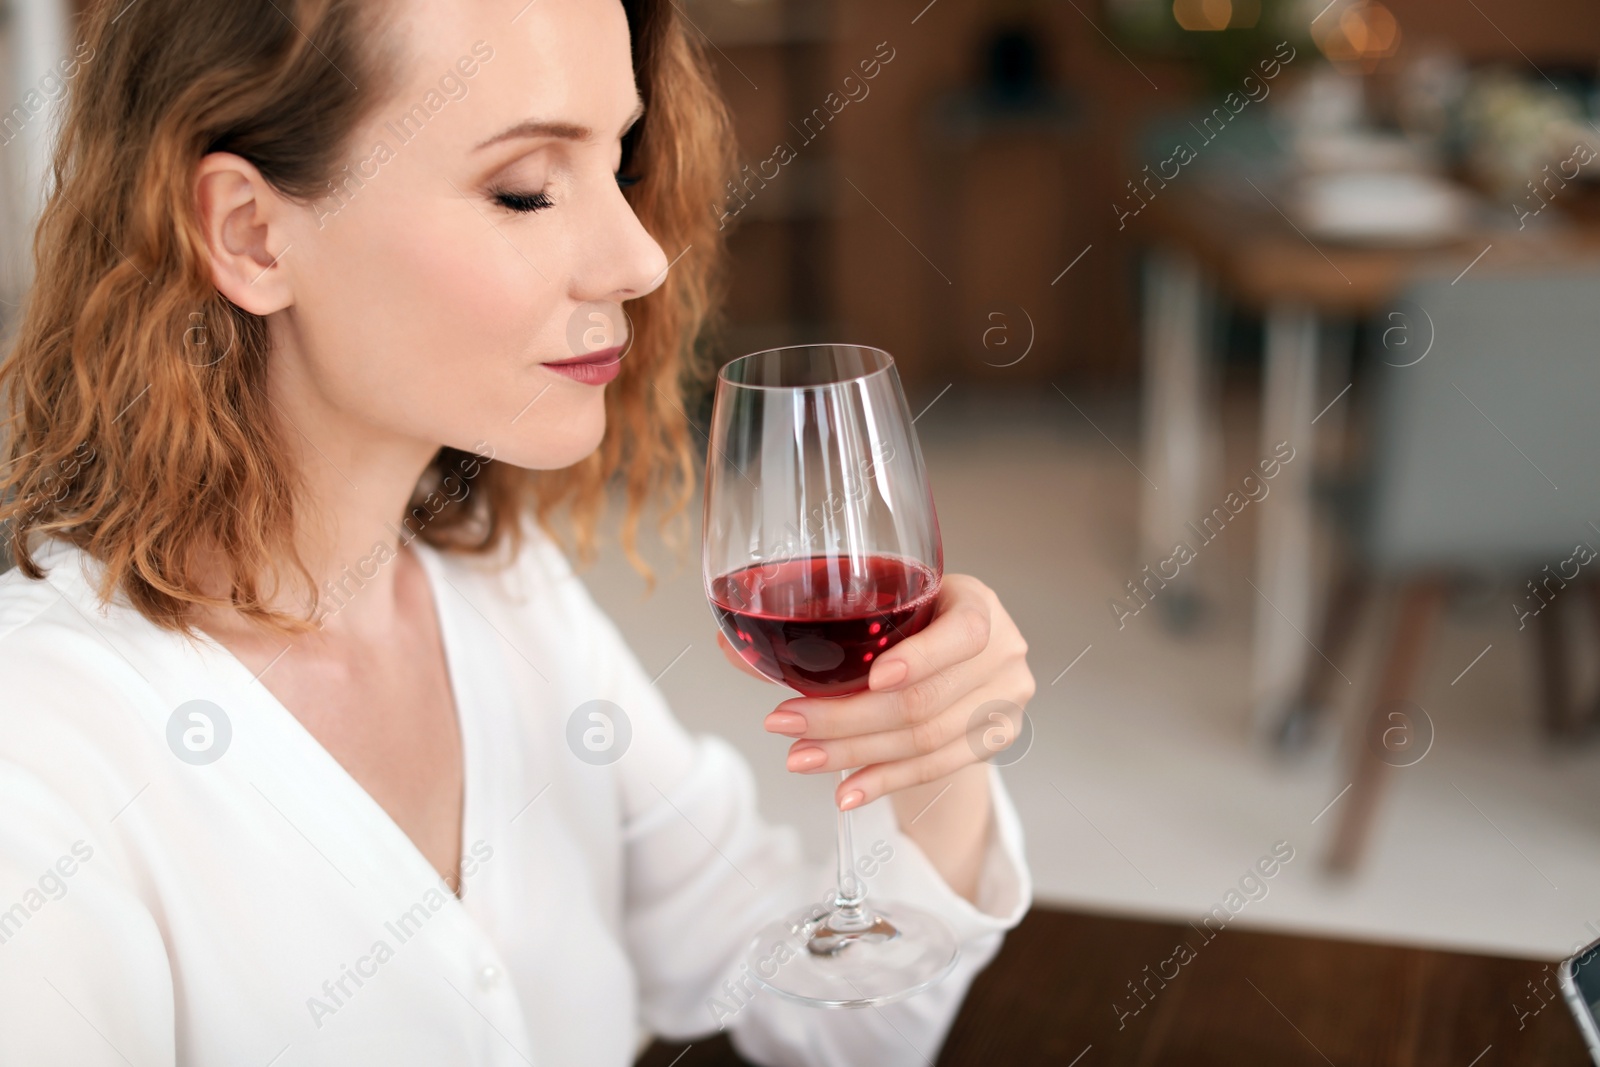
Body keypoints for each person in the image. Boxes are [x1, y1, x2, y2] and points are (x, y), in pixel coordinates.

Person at [0, 0, 1036, 1063]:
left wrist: (934, 761)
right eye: (526, 189)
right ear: (250, 235)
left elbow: (825, 1018)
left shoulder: (506, 598)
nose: (640, 259)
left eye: (620, 165)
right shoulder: (42, 748)